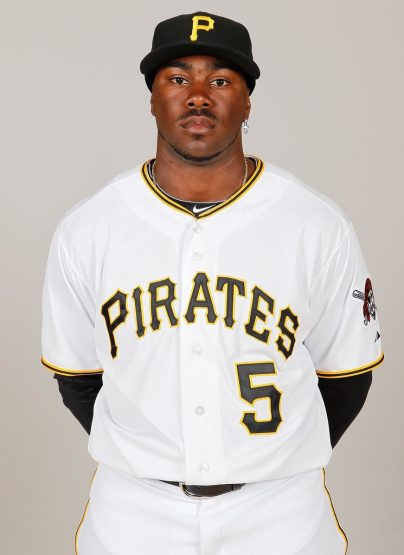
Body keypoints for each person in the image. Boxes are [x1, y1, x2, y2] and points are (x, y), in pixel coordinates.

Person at [41, 11, 384, 555]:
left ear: (248, 102)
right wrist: (149, 458)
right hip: (134, 513)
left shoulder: (317, 225)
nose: (198, 96)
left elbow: (347, 378)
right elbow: (78, 379)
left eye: (220, 80)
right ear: (152, 97)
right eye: (178, 78)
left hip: (281, 515)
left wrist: (275, 461)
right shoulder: (88, 227)